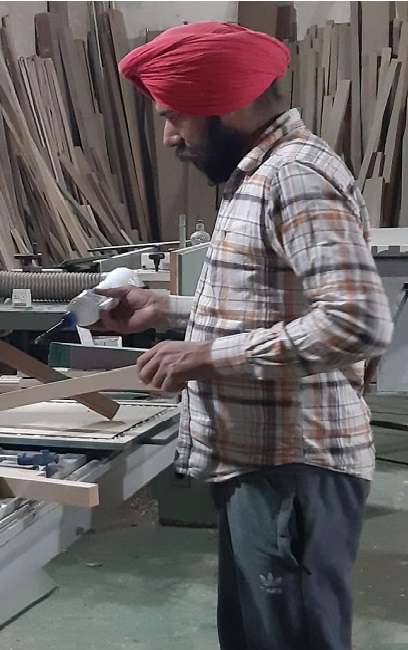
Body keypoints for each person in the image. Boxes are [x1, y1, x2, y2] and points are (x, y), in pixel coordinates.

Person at [102, 22, 394, 650]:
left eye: (176, 117)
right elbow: (275, 301)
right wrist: (168, 310)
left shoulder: (294, 176)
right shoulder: (257, 176)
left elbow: (358, 321)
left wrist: (210, 355)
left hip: (294, 468)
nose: (169, 136)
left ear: (225, 104)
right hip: (262, 465)